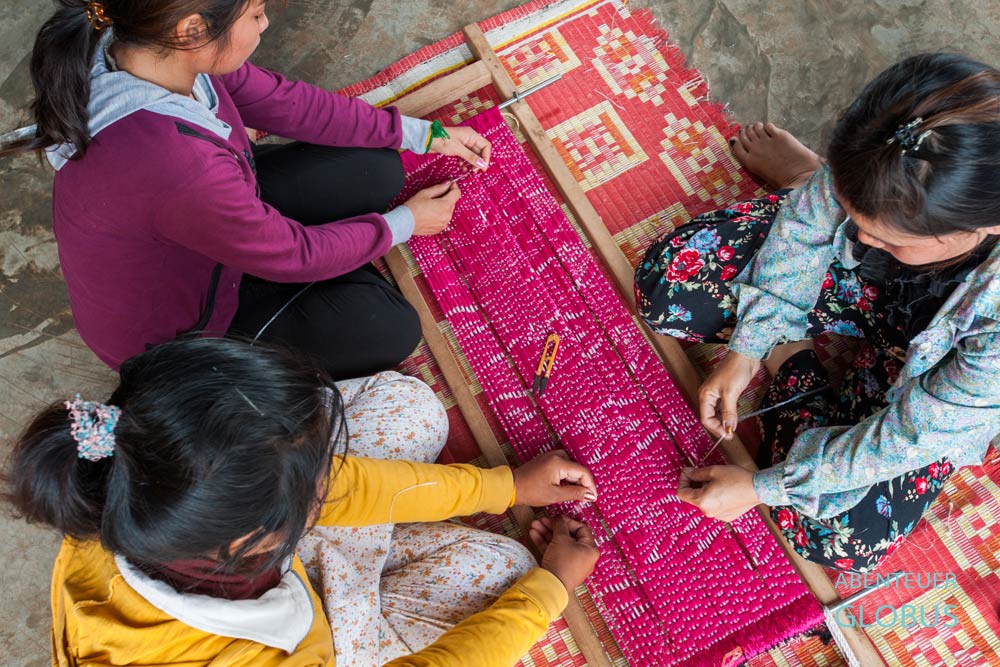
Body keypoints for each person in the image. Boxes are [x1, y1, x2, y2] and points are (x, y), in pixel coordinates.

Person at [4, 337, 600, 666]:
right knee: (509, 575)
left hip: (272, 586)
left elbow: (338, 487)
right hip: (303, 644)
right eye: (318, 487)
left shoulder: (121, 487)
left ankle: (342, 558)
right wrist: (549, 591)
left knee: (408, 407)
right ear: (252, 538)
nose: (335, 479)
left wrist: (505, 488)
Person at [635, 53, 1000, 572]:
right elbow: (808, 233)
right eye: (852, 213)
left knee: (844, 537)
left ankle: (794, 353)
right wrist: (746, 351)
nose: (861, 238)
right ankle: (805, 178)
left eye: (885, 236)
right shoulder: (888, 147)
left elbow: (908, 436)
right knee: (670, 288)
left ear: (983, 228)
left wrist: (763, 488)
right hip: (868, 283)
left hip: (934, 367)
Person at [3, 0, 493, 378]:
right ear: (193, 29)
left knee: (378, 168)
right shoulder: (177, 166)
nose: (264, 25)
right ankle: (329, 275)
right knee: (389, 326)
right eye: (256, 13)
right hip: (183, 331)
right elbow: (292, 255)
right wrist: (407, 223)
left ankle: (338, 264)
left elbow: (291, 104)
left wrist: (423, 135)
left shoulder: (149, 47)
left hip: (205, 231)